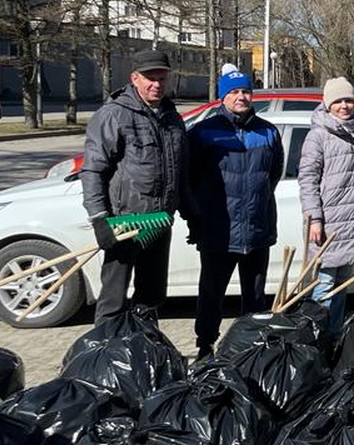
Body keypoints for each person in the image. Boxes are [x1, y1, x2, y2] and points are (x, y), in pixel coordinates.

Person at [81, 49, 191, 322]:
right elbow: (93, 170)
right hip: (124, 223)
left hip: (159, 223)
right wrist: (99, 220)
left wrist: (192, 214)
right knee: (113, 299)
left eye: (162, 79)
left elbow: (182, 172)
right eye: (150, 78)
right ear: (134, 78)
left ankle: (145, 354)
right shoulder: (114, 115)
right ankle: (103, 355)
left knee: (152, 298)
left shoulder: (172, 118)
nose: (157, 84)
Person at [187, 66, 284, 358]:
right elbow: (190, 178)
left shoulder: (267, 131)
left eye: (245, 91)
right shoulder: (204, 133)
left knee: (254, 297)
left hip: (257, 227)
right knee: (211, 293)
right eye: (233, 92)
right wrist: (198, 217)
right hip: (219, 229)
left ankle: (250, 349)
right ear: (222, 97)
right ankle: (205, 346)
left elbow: (273, 175)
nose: (240, 97)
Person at [299, 77, 354, 341]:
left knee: (340, 288)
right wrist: (315, 219)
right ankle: (316, 342)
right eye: (338, 101)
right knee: (322, 287)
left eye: (348, 100)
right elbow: (308, 180)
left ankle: (333, 338)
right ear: (327, 104)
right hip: (328, 228)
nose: (344, 106)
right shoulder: (318, 136)